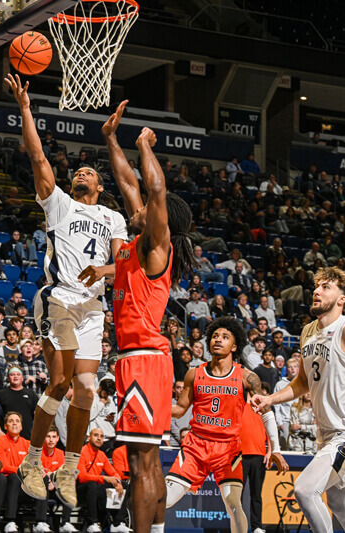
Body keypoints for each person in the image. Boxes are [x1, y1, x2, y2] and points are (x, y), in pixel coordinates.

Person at [6, 74, 127, 511]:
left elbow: (122, 264)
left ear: (99, 186)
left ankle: (71, 467)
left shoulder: (113, 218)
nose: (81, 172)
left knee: (87, 389)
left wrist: (107, 269)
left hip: (93, 307)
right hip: (58, 299)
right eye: (78, 170)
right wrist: (24, 109)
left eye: (90, 172)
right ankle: (33, 461)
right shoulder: (60, 204)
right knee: (59, 382)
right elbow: (38, 157)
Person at [84, 102, 198, 532]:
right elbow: (130, 183)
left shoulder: (155, 248)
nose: (135, 204)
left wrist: (145, 144)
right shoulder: (136, 247)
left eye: (145, 208)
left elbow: (153, 190)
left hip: (145, 358)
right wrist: (110, 139)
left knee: (140, 463)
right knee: (145, 459)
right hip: (141, 359)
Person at [252, 267, 345, 533]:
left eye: (326, 287)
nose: (316, 291)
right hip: (326, 434)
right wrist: (270, 399)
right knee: (339, 503)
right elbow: (302, 383)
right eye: (317, 286)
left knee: (305, 490)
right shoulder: (306, 332)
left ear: (342, 298)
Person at [167, 318, 287, 533]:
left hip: (228, 449)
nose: (218, 340)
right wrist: (152, 408)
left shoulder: (247, 377)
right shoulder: (194, 373)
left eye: (224, 337)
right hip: (196, 446)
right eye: (214, 336)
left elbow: (266, 413)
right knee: (166, 499)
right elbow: (179, 409)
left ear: (234, 346)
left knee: (233, 504)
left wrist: (275, 448)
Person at [76, 428, 126, 533]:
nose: (99, 438)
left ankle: (117, 523)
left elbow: (113, 473)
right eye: (96, 435)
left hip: (96, 489)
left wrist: (118, 482)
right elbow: (82, 477)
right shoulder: (82, 452)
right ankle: (92, 523)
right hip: (81, 490)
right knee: (92, 484)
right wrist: (103, 478)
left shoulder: (101, 454)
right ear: (89, 438)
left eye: (101, 436)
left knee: (125, 485)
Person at [0, 412, 30, 532]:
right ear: (5, 426)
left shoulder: (27, 444)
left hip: (23, 484)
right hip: (4, 483)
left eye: (17, 421)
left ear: (22, 426)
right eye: (11, 421)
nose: (14, 423)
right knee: (13, 477)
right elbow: (3, 467)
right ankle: (10, 521)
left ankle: (42, 522)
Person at [240, 400, 269, 533]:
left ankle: (257, 526)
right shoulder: (239, 406)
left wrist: (270, 451)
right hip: (240, 455)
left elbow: (270, 431)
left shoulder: (264, 409)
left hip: (259, 455)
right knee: (237, 494)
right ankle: (238, 525)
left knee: (256, 494)